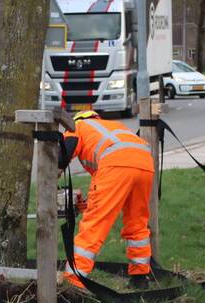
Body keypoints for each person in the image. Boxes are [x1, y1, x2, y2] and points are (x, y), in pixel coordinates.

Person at [59, 109, 154, 288]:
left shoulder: (77, 126)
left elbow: (61, 158)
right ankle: (140, 277)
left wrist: (51, 183)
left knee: (94, 224)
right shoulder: (112, 126)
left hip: (115, 164)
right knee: (137, 221)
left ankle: (74, 281)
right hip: (145, 165)